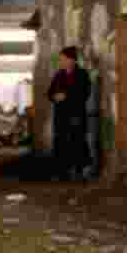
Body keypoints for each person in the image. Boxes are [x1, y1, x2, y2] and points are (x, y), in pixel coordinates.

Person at [47, 45, 93, 181]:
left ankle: (79, 171)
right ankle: (62, 172)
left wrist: (66, 96)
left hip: (76, 114)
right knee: (61, 142)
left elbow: (85, 93)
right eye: (61, 59)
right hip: (61, 115)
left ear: (72, 60)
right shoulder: (58, 75)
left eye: (63, 59)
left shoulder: (82, 74)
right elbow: (49, 93)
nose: (61, 61)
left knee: (77, 141)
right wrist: (54, 96)